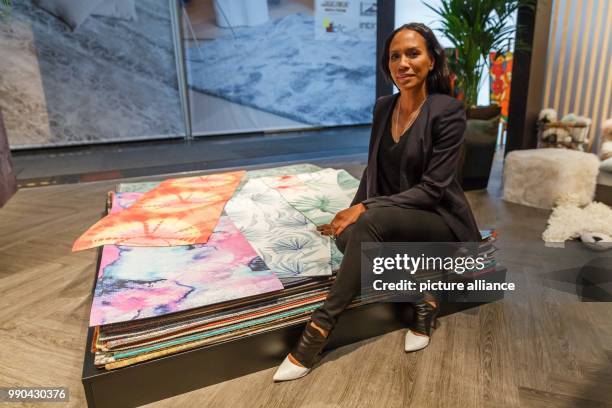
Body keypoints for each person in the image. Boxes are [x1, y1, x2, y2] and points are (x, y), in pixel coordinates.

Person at [273, 22, 481, 382]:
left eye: (413, 54)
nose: (403, 63)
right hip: (396, 213)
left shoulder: (447, 111)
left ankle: (318, 331)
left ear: (432, 60)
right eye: (395, 56)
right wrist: (350, 212)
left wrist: (365, 209)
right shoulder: (384, 107)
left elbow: (433, 189)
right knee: (346, 237)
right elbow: (374, 170)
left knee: (367, 225)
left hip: (438, 217)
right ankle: (422, 297)